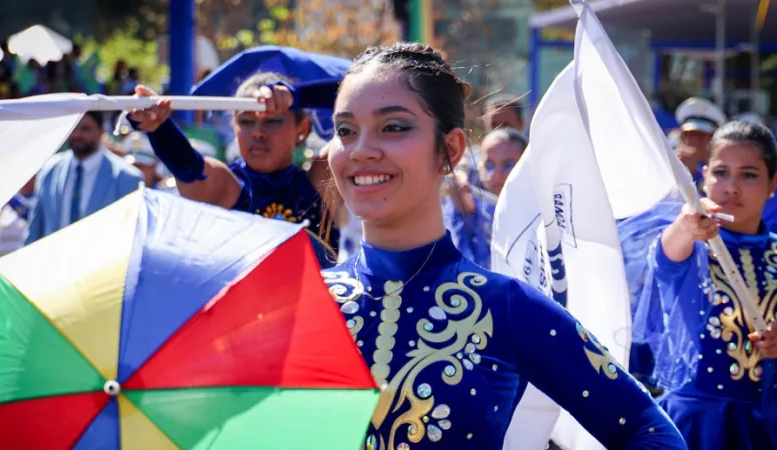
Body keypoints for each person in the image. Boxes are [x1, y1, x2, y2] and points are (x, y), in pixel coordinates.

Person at [318, 42, 685, 449]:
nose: (362, 150)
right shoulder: (302, 305)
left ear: (450, 150)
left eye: (393, 127)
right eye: (345, 130)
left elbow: (650, 432)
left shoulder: (507, 307)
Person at [633, 120, 777, 449]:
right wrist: (686, 226)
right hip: (695, 426)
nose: (732, 187)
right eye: (721, 173)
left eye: (749, 175)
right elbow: (667, 257)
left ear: (772, 184)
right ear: (704, 175)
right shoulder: (691, 243)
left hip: (765, 426)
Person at [126, 73, 340, 268]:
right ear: (234, 127)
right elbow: (189, 169)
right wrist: (159, 129)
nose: (257, 133)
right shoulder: (229, 185)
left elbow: (360, 96)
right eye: (246, 121)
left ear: (302, 129)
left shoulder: (324, 179)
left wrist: (298, 95)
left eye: (273, 120)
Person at [25, 112, 143, 244]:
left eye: (85, 129)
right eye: (73, 128)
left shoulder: (126, 177)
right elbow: (35, 229)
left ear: (101, 131)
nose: (77, 135)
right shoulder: (50, 169)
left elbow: (132, 235)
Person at [443, 128, 526, 268]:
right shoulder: (476, 210)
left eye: (509, 165)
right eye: (489, 165)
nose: (497, 174)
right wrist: (465, 215)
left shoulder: (543, 211)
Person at [674, 97, 726, 186]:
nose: (696, 140)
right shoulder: (672, 162)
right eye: (691, 134)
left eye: (702, 135)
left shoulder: (723, 166)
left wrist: (693, 172)